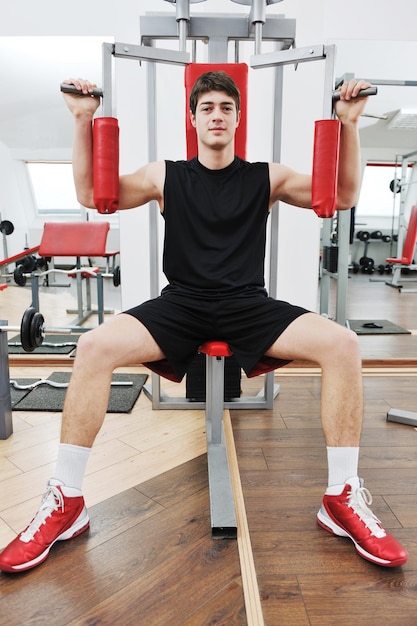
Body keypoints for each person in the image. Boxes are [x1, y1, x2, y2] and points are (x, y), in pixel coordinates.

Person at [0, 71, 408, 574]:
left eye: (226, 108)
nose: (217, 115)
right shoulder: (164, 176)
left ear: (238, 118)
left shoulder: (267, 177)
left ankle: (340, 498)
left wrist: (350, 124)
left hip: (247, 303)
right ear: (193, 119)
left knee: (343, 345)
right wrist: (83, 118)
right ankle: (67, 499)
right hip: (182, 303)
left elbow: (340, 196)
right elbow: (91, 194)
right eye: (207, 107)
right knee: (93, 347)